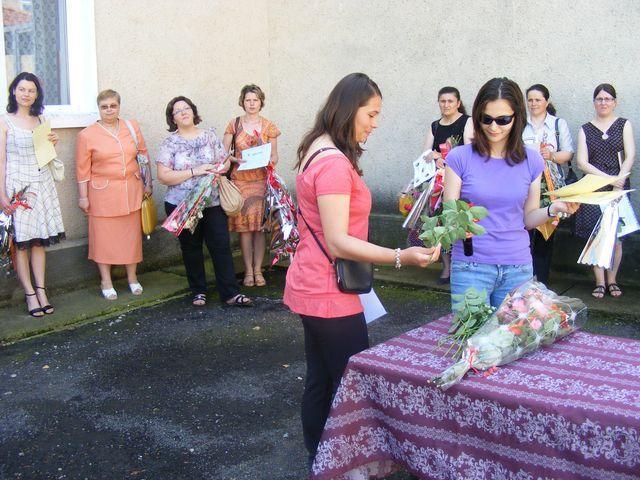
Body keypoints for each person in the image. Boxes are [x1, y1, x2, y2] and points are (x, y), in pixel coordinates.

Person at [283, 73, 440, 469]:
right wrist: (402, 256)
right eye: (371, 114)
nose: (375, 123)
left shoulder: (315, 148)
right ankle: (345, 465)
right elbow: (338, 241)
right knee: (350, 387)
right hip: (329, 291)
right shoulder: (334, 163)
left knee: (321, 379)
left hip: (310, 282)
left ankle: (320, 458)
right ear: (350, 109)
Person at [443, 77, 578, 308]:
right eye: (487, 119)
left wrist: (553, 209)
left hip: (518, 266)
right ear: (477, 116)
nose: (494, 127)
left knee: (512, 340)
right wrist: (456, 226)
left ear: (516, 118)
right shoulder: (459, 158)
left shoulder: (531, 160)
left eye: (503, 120)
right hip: (471, 266)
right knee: (471, 339)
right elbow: (449, 215)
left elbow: (528, 218)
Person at [157, 96, 252, 307]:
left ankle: (230, 293)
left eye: (187, 108)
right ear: (172, 118)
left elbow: (224, 161)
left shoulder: (209, 136)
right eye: (177, 111)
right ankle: (198, 291)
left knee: (220, 246)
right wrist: (194, 171)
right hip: (182, 204)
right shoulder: (170, 143)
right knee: (191, 248)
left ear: (193, 111)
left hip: (213, 202)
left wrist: (219, 168)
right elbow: (163, 175)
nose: (183, 112)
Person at [76, 89, 152, 300]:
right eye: (104, 106)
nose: (109, 110)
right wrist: (83, 197)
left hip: (131, 191)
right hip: (102, 195)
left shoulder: (132, 127)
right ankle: (106, 281)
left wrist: (148, 183)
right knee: (104, 239)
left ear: (119, 106)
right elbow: (82, 170)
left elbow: (143, 156)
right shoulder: (87, 135)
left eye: (113, 105)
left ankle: (132, 278)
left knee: (131, 239)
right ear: (98, 109)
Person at [0, 72, 63, 317]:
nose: (27, 94)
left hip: (42, 183)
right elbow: (1, 160)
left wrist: (53, 142)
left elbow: (45, 153)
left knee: (39, 241)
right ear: (14, 91)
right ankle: (29, 294)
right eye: (22, 89)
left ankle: (42, 291)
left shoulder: (41, 119)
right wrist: (2, 194)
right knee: (22, 243)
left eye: (32, 90)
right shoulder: (4, 121)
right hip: (17, 186)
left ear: (37, 94)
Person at [574, 84, 635, 299]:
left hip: (618, 186)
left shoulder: (623, 124)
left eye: (608, 99)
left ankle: (613, 279)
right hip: (594, 186)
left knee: (616, 236)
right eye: (599, 99)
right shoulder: (585, 129)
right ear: (594, 102)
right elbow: (581, 162)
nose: (603, 102)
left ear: (615, 102)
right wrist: (606, 178)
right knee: (596, 234)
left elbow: (630, 154)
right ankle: (599, 281)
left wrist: (620, 177)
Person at [414, 86, 474, 284]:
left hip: (461, 182)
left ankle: (463, 264)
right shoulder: (435, 126)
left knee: (461, 223)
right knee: (439, 223)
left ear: (458, 103)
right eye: (442, 101)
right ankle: (447, 267)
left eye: (450, 101)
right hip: (438, 185)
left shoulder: (467, 121)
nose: (446, 104)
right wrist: (433, 156)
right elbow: (425, 154)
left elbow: (469, 152)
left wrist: (448, 158)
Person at [223, 84, 280, 288]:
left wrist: (265, 155)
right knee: (244, 230)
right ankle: (247, 271)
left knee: (259, 229)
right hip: (240, 182)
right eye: (248, 100)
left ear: (261, 102)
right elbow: (223, 155)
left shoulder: (269, 126)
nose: (252, 104)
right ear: (242, 102)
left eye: (255, 100)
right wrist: (235, 160)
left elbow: (274, 157)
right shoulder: (234, 124)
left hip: (260, 182)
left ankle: (258, 270)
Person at [522, 84, 575, 285]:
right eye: (530, 100)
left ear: (546, 101)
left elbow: (568, 153)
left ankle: (541, 282)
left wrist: (551, 155)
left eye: (538, 99)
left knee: (545, 236)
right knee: (524, 234)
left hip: (550, 188)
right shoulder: (520, 124)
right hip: (525, 186)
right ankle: (524, 281)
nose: (534, 103)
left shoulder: (557, 124)